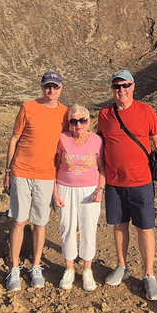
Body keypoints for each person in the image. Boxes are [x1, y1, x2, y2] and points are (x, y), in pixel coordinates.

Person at [97, 69, 157, 301]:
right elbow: (98, 146)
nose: (121, 90)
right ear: (112, 90)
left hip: (141, 182)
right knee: (119, 226)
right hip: (115, 182)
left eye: (125, 85)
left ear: (133, 87)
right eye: (117, 86)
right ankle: (122, 266)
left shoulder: (146, 111)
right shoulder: (105, 114)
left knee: (145, 228)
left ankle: (148, 274)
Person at [4, 71, 68, 291]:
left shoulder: (65, 113)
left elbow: (66, 145)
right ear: (42, 88)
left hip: (46, 175)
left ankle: (36, 266)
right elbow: (15, 139)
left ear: (61, 88)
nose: (51, 90)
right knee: (19, 221)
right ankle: (14, 269)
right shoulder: (28, 107)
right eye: (47, 86)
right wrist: (7, 170)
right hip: (21, 171)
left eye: (55, 87)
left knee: (40, 222)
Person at [52, 104, 105, 291]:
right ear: (69, 123)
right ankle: (69, 268)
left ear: (89, 121)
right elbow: (55, 166)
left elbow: (102, 168)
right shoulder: (62, 139)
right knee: (66, 227)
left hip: (90, 190)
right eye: (74, 121)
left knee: (88, 227)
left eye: (82, 120)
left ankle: (87, 269)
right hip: (65, 187)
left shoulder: (97, 140)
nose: (78, 125)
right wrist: (55, 192)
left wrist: (100, 188)